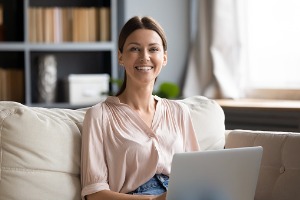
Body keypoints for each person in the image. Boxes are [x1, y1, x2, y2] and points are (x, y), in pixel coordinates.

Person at [81, 16, 200, 200]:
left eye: (153, 49)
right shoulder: (99, 116)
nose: (145, 57)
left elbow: (198, 174)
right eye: (135, 49)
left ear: (164, 57)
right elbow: (95, 194)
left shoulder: (179, 112)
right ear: (121, 56)